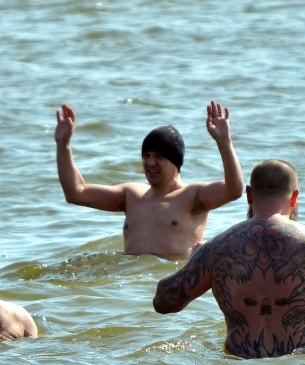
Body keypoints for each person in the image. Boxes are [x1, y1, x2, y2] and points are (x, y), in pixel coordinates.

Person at [152, 159, 305, 359]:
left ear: (248, 194)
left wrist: (194, 262)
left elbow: (164, 301)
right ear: (295, 197)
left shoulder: (216, 249)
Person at [55, 100, 244, 260]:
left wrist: (224, 142)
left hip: (169, 280)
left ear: (175, 161)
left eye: (158, 156)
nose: (150, 162)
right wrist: (64, 145)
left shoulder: (193, 196)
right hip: (129, 285)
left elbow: (234, 190)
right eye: (146, 156)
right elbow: (76, 192)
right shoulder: (131, 194)